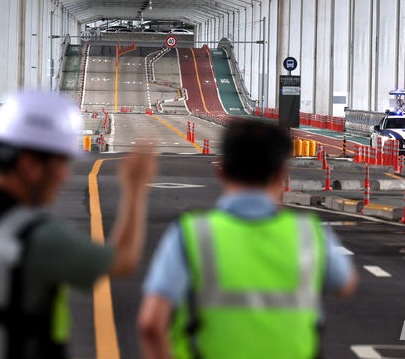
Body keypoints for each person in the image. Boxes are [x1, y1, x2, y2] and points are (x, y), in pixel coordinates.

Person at [0, 90, 156, 359]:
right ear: (31, 164)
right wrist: (135, 189)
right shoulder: (34, 237)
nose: (64, 175)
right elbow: (122, 261)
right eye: (60, 164)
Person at [137, 119, 356, 359]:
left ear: (220, 170)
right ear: (281, 174)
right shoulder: (309, 234)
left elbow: (151, 323)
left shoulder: (192, 233)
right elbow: (345, 284)